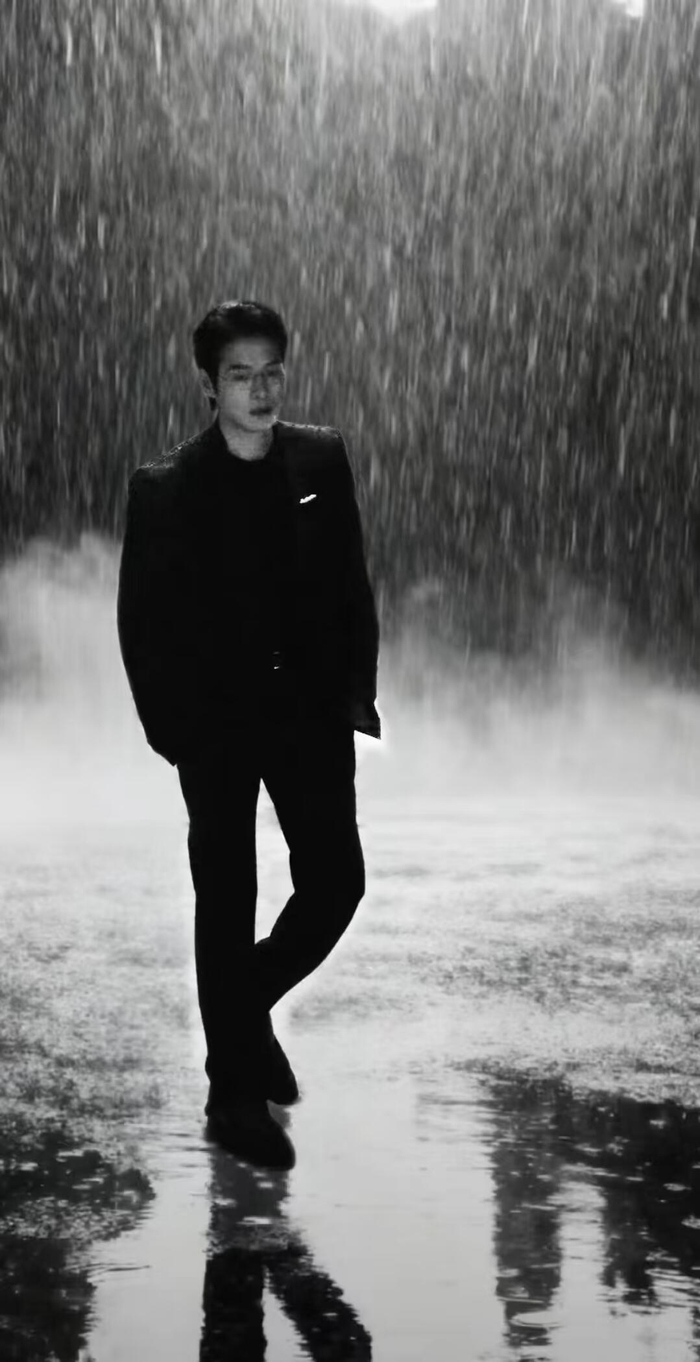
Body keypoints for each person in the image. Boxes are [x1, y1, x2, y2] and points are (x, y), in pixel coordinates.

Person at [116, 300, 381, 1170]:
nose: (262, 390)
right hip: (216, 728)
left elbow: (350, 584)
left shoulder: (321, 457)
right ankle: (233, 1095)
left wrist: (351, 694)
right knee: (225, 900)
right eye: (242, 375)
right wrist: (177, 735)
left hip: (308, 717)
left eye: (272, 372)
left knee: (336, 883)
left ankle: (241, 1012)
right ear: (209, 384)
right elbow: (142, 624)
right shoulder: (165, 488)